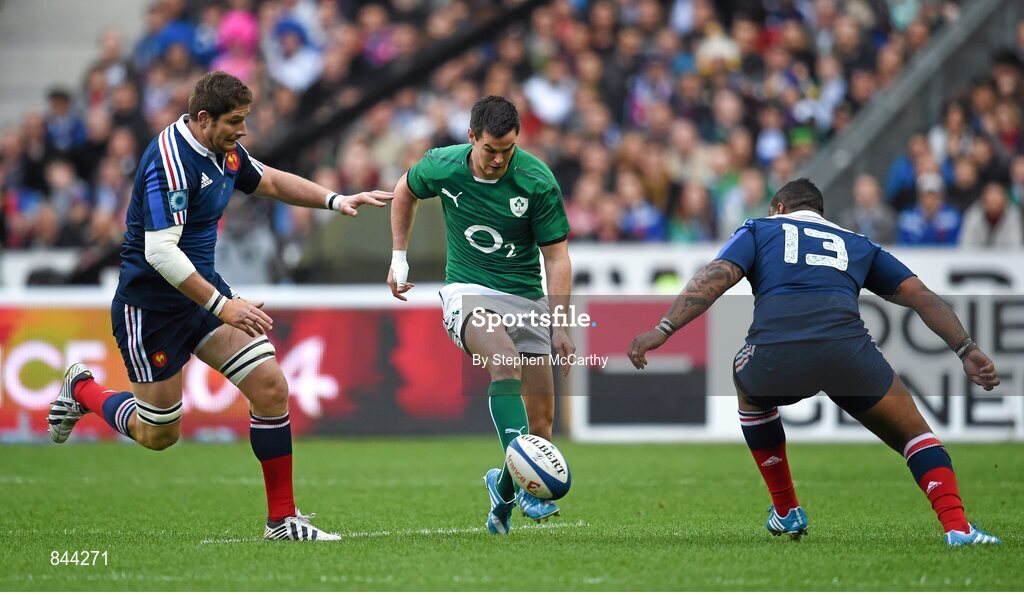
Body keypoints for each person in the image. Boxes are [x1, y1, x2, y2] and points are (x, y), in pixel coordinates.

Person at [46, 71, 393, 541]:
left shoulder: (222, 150)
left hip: (203, 296)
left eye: (245, 120)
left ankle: (282, 521)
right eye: (235, 121)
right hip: (151, 310)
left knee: (270, 385)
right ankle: (82, 388)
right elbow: (160, 252)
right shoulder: (170, 161)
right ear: (204, 118)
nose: (242, 131)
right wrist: (223, 306)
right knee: (158, 433)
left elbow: (266, 179)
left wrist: (334, 199)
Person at [627, 178, 1002, 547]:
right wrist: (966, 349)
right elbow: (920, 295)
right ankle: (958, 528)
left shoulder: (760, 228)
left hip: (778, 354)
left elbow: (716, 277)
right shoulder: (856, 242)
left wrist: (663, 328)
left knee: (746, 381)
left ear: (778, 208)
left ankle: (787, 509)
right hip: (848, 353)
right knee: (916, 437)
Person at [386, 96, 574, 534]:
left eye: (507, 150)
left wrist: (560, 323)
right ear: (471, 137)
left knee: (541, 425)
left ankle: (503, 493)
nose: (498, 160)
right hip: (468, 290)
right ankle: (527, 489)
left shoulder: (537, 181)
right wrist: (399, 258)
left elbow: (558, 258)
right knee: (503, 360)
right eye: (490, 150)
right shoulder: (442, 164)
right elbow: (404, 191)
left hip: (526, 296)